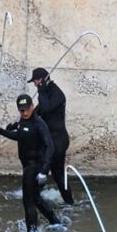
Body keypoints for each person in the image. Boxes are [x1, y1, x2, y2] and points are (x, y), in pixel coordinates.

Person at [0, 94, 60, 232]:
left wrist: (44, 170)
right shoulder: (23, 122)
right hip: (28, 166)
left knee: (27, 201)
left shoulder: (39, 124)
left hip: (35, 167)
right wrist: (0, 131)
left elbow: (50, 147)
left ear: (32, 107)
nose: (24, 113)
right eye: (21, 110)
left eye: (26, 109)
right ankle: (55, 221)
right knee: (35, 198)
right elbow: (19, 136)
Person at [28, 68, 74, 205]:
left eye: (36, 82)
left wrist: (41, 91)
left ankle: (68, 202)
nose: (35, 85)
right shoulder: (46, 94)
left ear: (42, 80)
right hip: (50, 140)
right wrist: (19, 124)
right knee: (51, 171)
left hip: (58, 140)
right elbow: (37, 113)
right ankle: (34, 197)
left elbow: (47, 108)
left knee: (56, 172)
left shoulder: (57, 94)